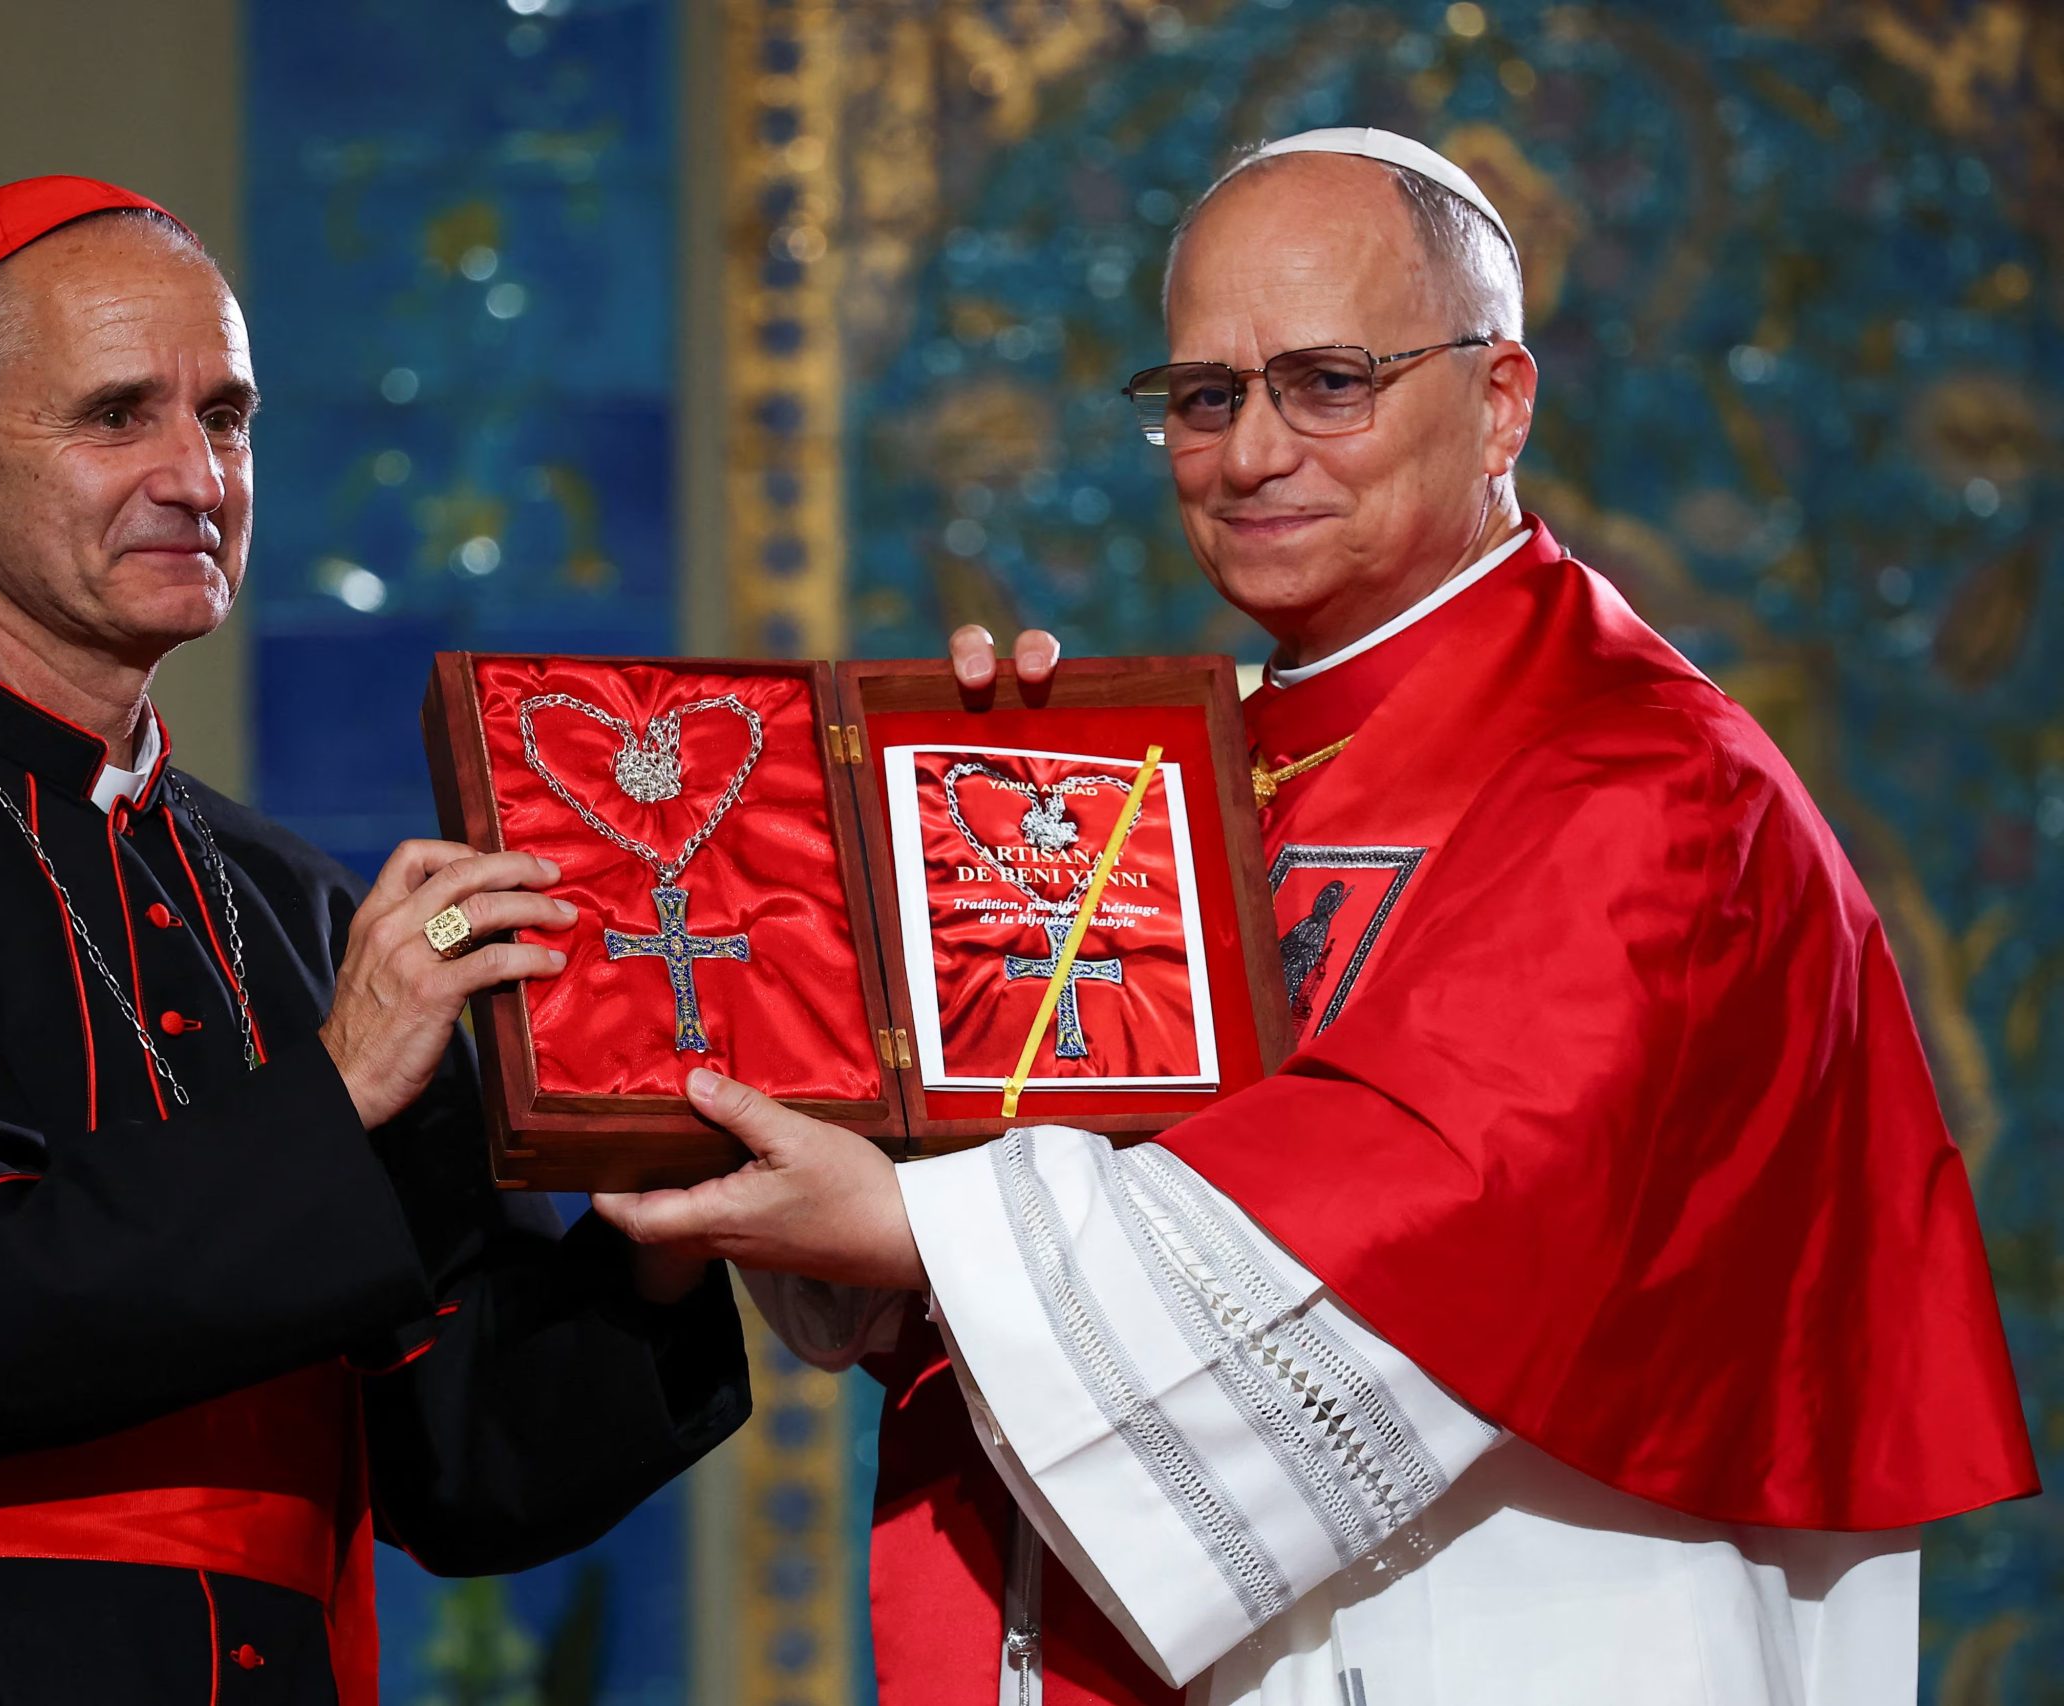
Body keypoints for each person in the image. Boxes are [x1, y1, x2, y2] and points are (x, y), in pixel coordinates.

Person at [592, 129, 2038, 1705]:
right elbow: (1080, 1160)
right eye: (1205, 397)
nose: (1251, 453)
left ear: (1502, 401)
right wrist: (956, 890)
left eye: (1328, 382)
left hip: (1537, 1626)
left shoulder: (1650, 781)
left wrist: (912, 1225)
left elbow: (1429, 1206)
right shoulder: (1192, 765)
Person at [0, 177, 749, 1706]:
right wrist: (336, 1084)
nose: (197, 474)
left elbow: (464, 1468)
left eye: (226, 416)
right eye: (118, 416)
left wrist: (662, 1238)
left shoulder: (299, 903)